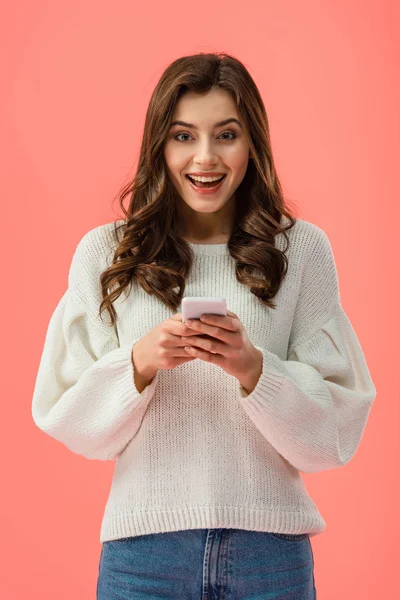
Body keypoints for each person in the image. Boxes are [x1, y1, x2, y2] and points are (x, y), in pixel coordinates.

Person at [31, 52, 377, 600]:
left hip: (271, 558)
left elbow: (335, 434)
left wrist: (254, 368)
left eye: (227, 134)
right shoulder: (107, 252)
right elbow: (67, 418)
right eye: (184, 136)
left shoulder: (301, 250)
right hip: (143, 558)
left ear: (252, 143)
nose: (206, 158)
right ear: (159, 146)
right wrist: (140, 363)